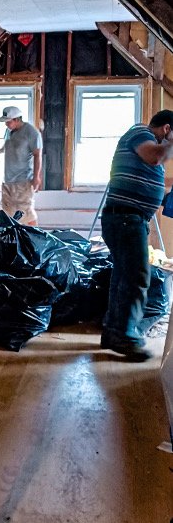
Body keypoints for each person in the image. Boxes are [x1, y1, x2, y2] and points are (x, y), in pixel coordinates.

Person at [100, 110, 173, 360]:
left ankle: (112, 333)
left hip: (129, 219)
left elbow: (151, 179)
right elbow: (154, 157)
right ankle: (127, 336)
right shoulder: (140, 132)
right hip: (125, 218)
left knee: (123, 276)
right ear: (166, 129)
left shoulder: (147, 144)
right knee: (138, 277)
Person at [0, 106, 42, 225]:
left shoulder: (31, 133)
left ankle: (34, 239)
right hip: (8, 179)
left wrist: (36, 177)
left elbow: (37, 155)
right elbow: (8, 145)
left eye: (9, 122)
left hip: (23, 180)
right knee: (8, 212)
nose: (7, 125)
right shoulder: (10, 132)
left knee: (26, 212)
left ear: (17, 119)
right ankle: (12, 240)